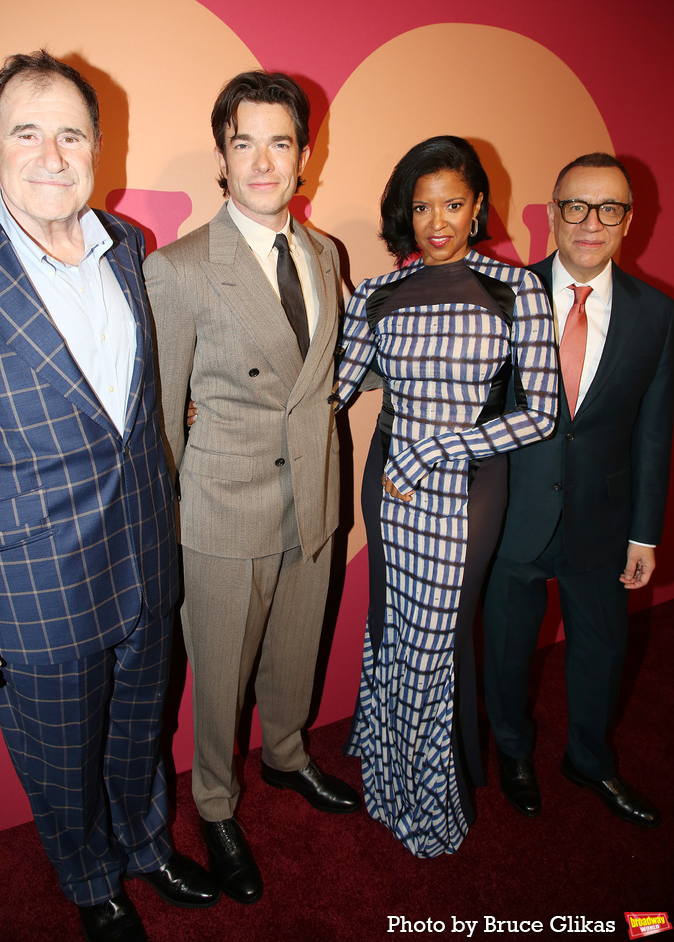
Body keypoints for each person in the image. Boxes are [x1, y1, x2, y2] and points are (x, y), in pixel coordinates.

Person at [0, 51, 219, 942]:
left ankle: (149, 845)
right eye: (26, 132)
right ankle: (91, 885)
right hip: (33, 585)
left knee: (138, 733)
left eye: (70, 133)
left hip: (144, 551)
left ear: (97, 147)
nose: (50, 153)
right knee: (62, 763)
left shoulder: (129, 249)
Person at [144, 71, 360, 906]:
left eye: (281, 142)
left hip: (314, 496)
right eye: (245, 143)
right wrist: (165, 531)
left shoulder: (324, 252)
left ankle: (288, 754)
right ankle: (214, 804)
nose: (264, 161)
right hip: (224, 508)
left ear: (305, 156)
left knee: (295, 650)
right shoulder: (182, 268)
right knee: (221, 675)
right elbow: (163, 417)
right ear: (221, 160)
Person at [333, 136, 559, 857]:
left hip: (466, 487)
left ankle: (430, 799)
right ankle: (388, 761)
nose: (437, 221)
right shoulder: (378, 291)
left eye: (453, 204)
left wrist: (437, 448)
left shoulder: (513, 287)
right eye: (422, 206)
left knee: (436, 639)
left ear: (478, 207)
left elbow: (540, 413)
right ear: (404, 211)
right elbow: (332, 393)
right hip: (389, 486)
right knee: (393, 623)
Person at [483, 153, 674, 828]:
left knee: (603, 650)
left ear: (629, 220)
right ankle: (511, 751)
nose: (592, 223)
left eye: (610, 208)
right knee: (505, 647)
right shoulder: (504, 296)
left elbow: (654, 433)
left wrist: (645, 531)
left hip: (604, 521)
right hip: (513, 516)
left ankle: (589, 761)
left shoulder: (658, 315)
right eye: (576, 206)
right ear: (551, 213)